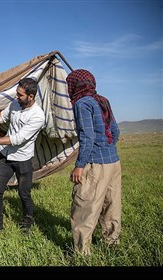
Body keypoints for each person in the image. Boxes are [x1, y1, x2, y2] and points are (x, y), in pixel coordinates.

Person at [0, 77, 45, 238]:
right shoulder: (15, 104)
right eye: (17, 93)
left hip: (23, 159)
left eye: (20, 95)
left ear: (31, 96)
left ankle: (27, 224)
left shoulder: (38, 116)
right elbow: (1, 119)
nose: (17, 97)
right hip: (5, 156)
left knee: (24, 194)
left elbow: (17, 139)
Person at [66, 69, 122, 256]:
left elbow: (87, 137)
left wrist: (80, 165)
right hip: (113, 162)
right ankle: (111, 243)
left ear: (75, 85)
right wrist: (107, 148)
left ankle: (82, 253)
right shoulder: (102, 100)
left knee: (85, 208)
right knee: (111, 205)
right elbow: (115, 132)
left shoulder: (82, 104)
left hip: (95, 164)